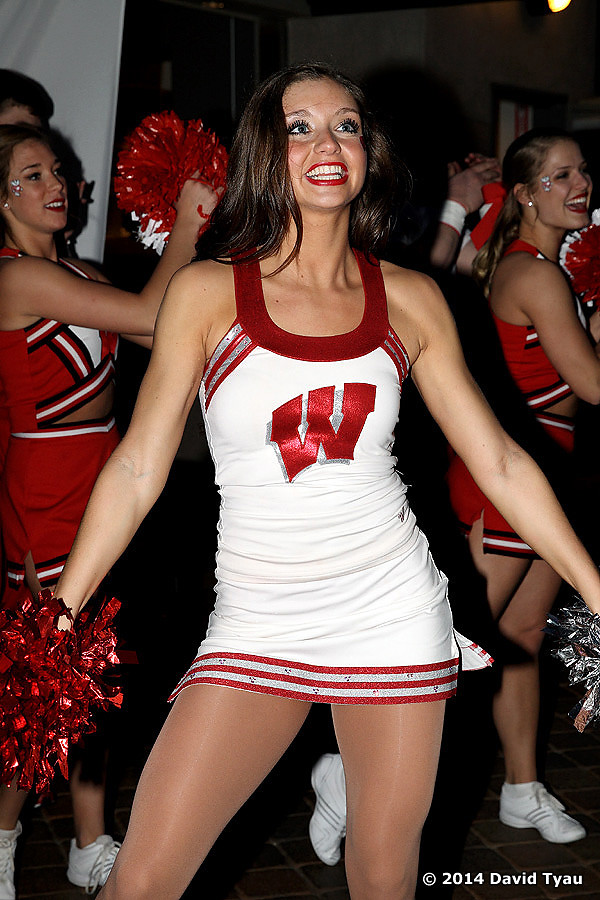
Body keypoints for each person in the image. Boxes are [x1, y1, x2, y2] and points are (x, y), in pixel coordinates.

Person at [50, 66, 600, 900]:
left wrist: (598, 588)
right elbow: (135, 467)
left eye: (344, 126)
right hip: (256, 621)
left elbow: (500, 459)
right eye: (298, 127)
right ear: (267, 153)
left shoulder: (412, 298)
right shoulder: (207, 291)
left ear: (368, 152)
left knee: (385, 877)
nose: (325, 144)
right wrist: (61, 613)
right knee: (143, 882)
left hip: (391, 611)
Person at [0, 123, 218, 898]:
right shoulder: (13, 279)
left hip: (105, 479)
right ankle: (2, 835)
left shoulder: (77, 269)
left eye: (57, 170)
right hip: (49, 493)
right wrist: (189, 225)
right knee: (47, 681)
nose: (56, 184)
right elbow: (158, 318)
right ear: (0, 197)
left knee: (92, 677)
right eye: (32, 175)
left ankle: (89, 842)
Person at [443, 127, 600, 844]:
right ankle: (347, 776)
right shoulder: (534, 272)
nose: (580, 186)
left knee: (522, 635)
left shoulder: (545, 267)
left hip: (546, 464)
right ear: (528, 191)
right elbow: (593, 384)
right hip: (508, 472)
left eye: (584, 173)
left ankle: (521, 788)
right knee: (447, 646)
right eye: (561, 175)